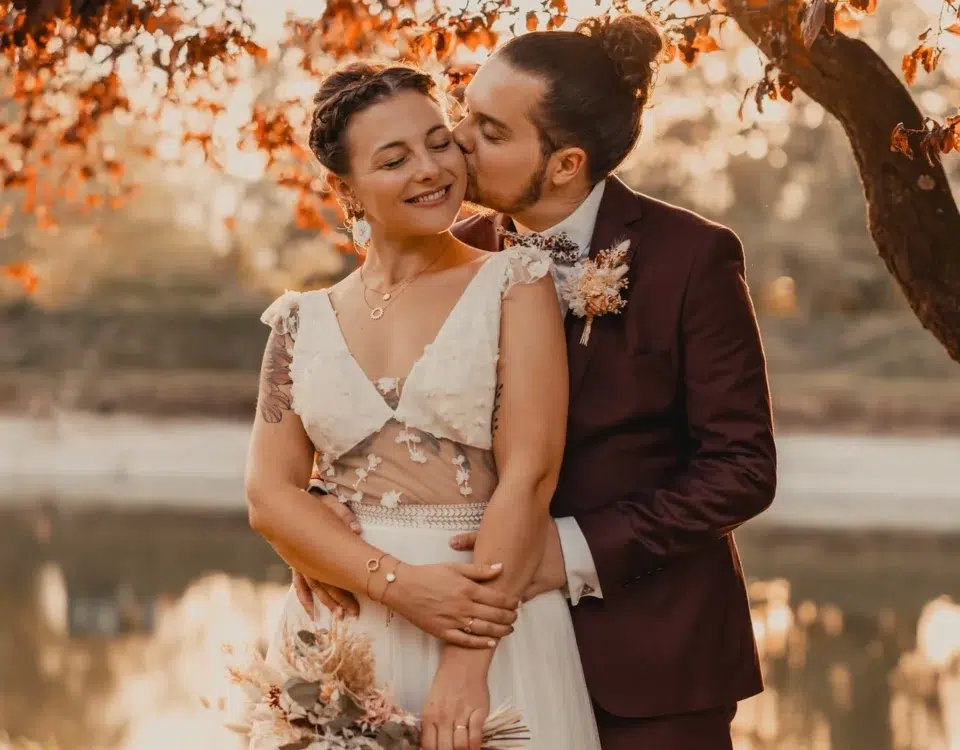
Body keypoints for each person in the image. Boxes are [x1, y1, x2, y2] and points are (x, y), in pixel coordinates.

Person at [295, 12, 778, 750]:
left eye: (488, 131)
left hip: (653, 662)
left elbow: (742, 469)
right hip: (481, 646)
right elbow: (394, 413)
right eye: (464, 113)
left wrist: (569, 550)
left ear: (564, 163)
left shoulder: (691, 259)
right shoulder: (450, 252)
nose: (455, 143)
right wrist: (331, 526)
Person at [245, 60, 603, 750]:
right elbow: (269, 495)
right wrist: (399, 586)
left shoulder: (514, 281)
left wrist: (468, 669)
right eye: (393, 159)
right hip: (342, 633)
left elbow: (530, 475)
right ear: (344, 187)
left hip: (487, 618)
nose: (430, 169)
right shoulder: (299, 319)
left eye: (439, 143)